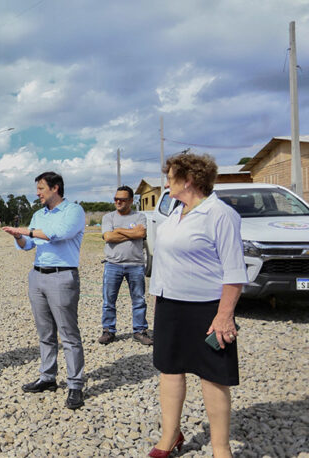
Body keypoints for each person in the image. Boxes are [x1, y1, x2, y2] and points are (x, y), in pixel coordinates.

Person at [148, 153, 246, 457]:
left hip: (207, 308)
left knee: (213, 375)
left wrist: (224, 316)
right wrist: (157, 300)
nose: (166, 183)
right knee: (170, 370)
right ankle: (170, 436)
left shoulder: (220, 214)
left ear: (189, 179)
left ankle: (221, 448)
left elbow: (234, 272)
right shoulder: (176, 212)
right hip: (170, 304)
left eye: (170, 178)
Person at [2, 171, 86, 410]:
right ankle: (48, 377)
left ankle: (75, 384)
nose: (37, 193)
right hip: (37, 275)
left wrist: (26, 231)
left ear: (55, 188)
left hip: (62, 276)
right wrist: (18, 236)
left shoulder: (73, 211)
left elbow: (57, 235)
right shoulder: (39, 215)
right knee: (45, 332)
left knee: (68, 334)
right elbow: (28, 245)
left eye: (41, 188)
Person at [98, 185, 153, 346]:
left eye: (122, 199)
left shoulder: (140, 216)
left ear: (130, 201)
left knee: (139, 300)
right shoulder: (108, 217)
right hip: (112, 264)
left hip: (135, 264)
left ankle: (140, 330)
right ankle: (108, 330)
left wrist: (118, 231)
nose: (118, 202)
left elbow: (141, 233)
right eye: (116, 199)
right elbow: (108, 237)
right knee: (109, 300)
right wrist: (131, 233)